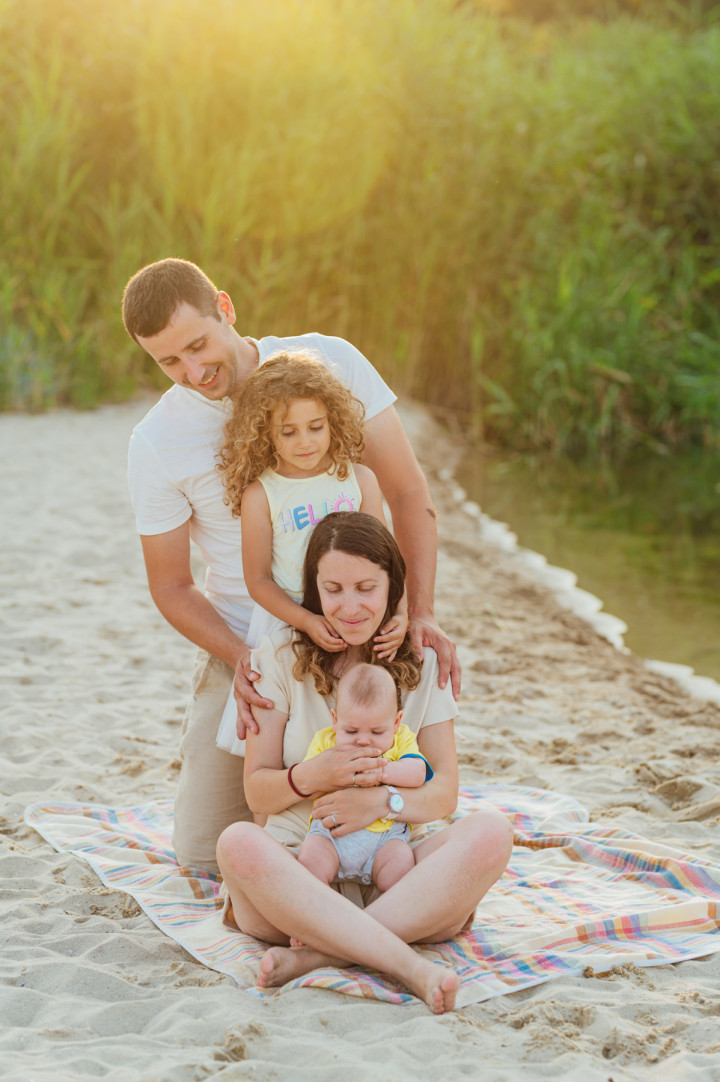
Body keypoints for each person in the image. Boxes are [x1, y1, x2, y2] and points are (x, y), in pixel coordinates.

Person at [123, 257, 460, 873]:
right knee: (204, 856)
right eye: (169, 362)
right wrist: (239, 659)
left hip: (361, 630)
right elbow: (171, 586)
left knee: (402, 794)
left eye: (199, 345)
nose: (193, 372)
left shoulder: (330, 364)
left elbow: (407, 494)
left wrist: (420, 609)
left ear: (225, 307)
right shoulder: (156, 441)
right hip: (254, 649)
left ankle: (375, 849)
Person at [218, 513, 513, 1014]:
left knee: (492, 832)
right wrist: (315, 775)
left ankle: (319, 955)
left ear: (392, 587)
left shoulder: (425, 662)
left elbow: (444, 793)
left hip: (394, 875)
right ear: (313, 589)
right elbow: (257, 795)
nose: (349, 607)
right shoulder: (279, 656)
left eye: (366, 588)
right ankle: (409, 965)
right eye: (332, 589)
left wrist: (383, 800)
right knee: (237, 843)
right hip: (299, 874)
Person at [214, 350, 407, 756]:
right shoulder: (261, 494)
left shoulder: (359, 479)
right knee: (286, 739)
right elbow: (258, 580)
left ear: (333, 421)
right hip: (289, 618)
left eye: (315, 427)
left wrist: (401, 613)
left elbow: (388, 562)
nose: (305, 442)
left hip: (354, 612)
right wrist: (307, 619)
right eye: (288, 432)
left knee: (354, 718)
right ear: (264, 433)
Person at [297, 663, 431, 893]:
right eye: (351, 731)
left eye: (377, 732)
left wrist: (382, 771)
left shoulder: (401, 740)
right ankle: (318, 909)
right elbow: (308, 784)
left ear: (396, 723)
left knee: (402, 869)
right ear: (335, 720)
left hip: (385, 841)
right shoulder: (325, 741)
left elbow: (418, 773)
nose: (363, 740)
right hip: (330, 835)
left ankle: (391, 914)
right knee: (309, 862)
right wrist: (333, 775)